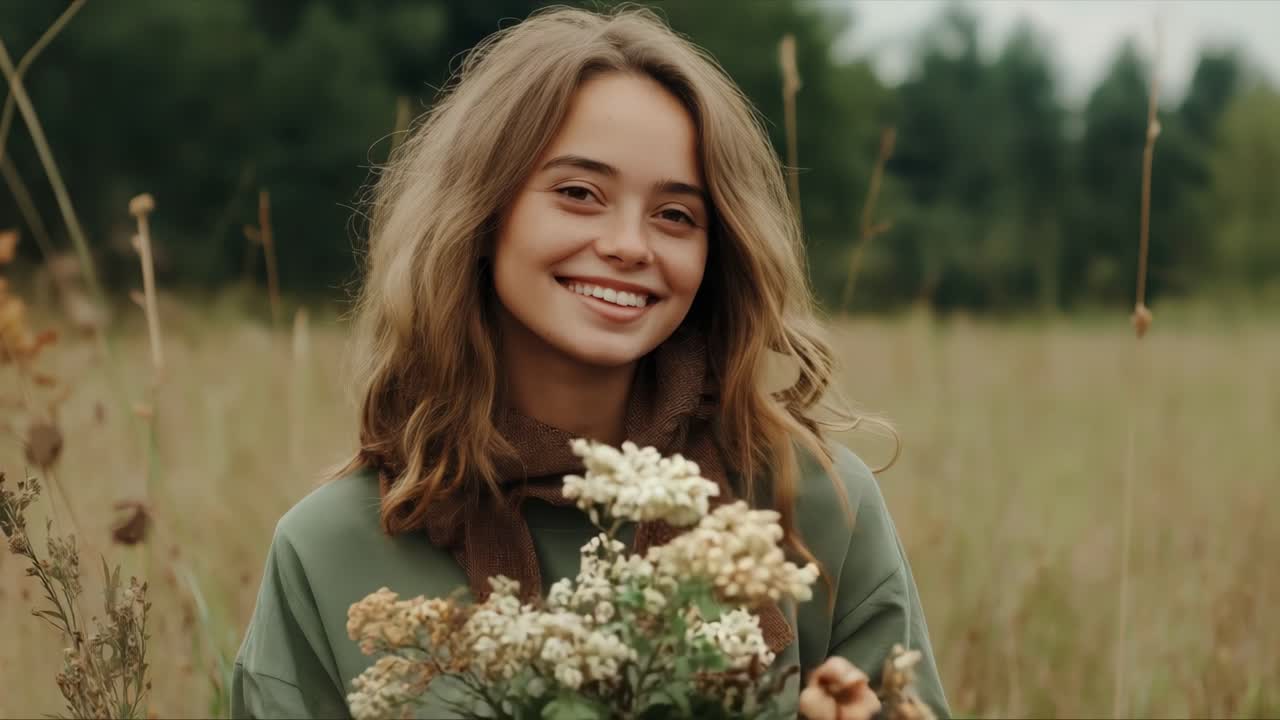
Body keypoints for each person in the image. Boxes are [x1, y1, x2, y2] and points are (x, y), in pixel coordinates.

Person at [231, 6, 948, 719]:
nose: (629, 245)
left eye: (676, 215)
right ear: (480, 218)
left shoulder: (811, 503)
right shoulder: (330, 548)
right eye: (579, 194)